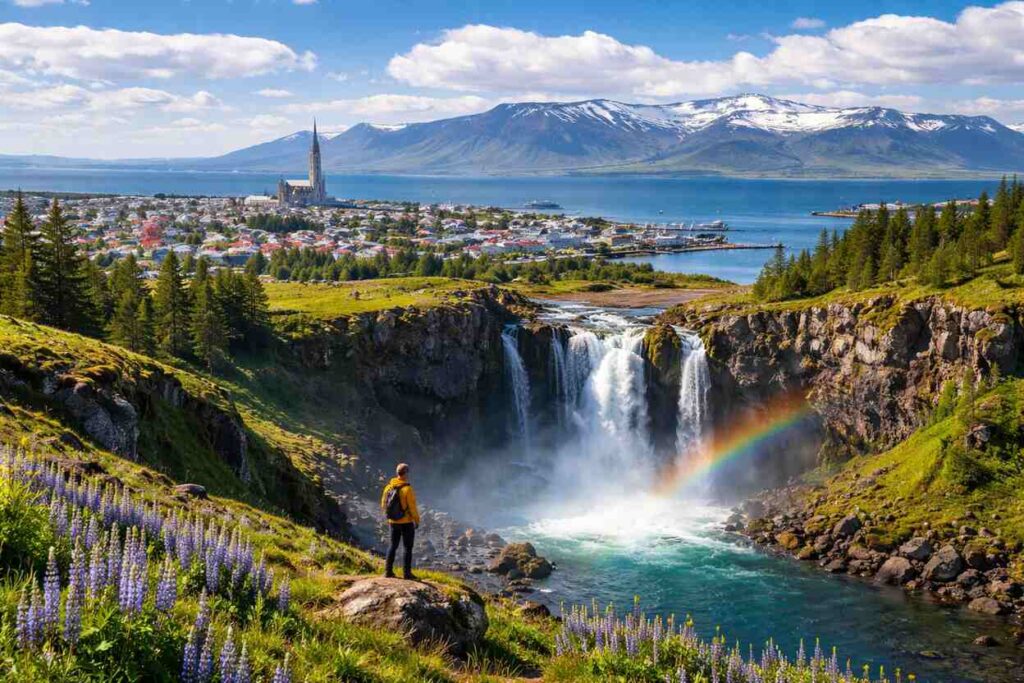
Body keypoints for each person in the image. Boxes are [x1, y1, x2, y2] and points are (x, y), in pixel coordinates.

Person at [380, 462, 420, 579]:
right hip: (406, 522)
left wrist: (390, 516)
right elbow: (412, 507)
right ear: (405, 473)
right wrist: (416, 520)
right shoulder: (407, 489)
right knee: (407, 547)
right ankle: (407, 573)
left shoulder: (388, 487)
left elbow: (383, 504)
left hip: (393, 522)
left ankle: (388, 572)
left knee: (392, 546)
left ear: (397, 473)